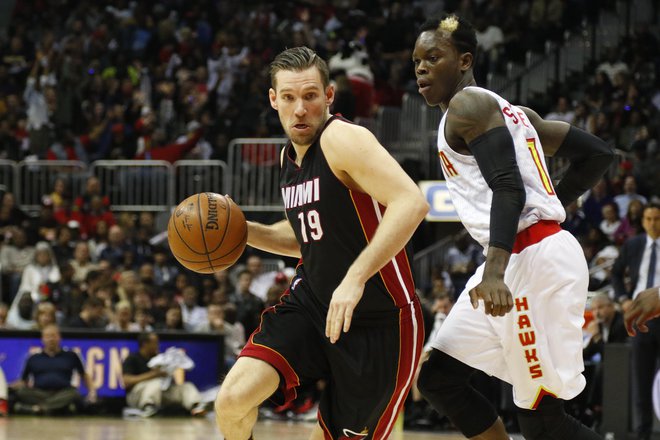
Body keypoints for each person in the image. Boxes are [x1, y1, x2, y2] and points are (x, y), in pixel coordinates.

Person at [412, 14, 614, 440]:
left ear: (465, 60)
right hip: (520, 253)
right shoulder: (516, 114)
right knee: (438, 378)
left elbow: (508, 187)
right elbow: (597, 154)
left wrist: (495, 271)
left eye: (434, 57)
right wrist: (554, 201)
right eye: (416, 62)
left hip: (529, 261)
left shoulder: (469, 106)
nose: (421, 68)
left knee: (543, 421)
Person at [214, 46, 428, 440]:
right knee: (232, 400)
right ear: (273, 99)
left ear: (328, 96)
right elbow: (307, 239)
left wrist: (356, 277)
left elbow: (412, 202)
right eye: (290, 97)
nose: (300, 109)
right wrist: (241, 231)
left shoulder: (343, 139)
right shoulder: (288, 158)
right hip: (314, 303)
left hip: (380, 322)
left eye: (310, 96)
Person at [611, 202, 660, 440]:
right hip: (641, 317)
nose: (653, 223)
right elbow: (616, 273)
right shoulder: (633, 244)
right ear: (642, 222)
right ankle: (643, 434)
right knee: (642, 377)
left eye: (657, 218)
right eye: (649, 219)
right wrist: (623, 300)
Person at [11, 324, 96, 414]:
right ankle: (55, 408)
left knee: (74, 393)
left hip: (62, 393)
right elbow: (24, 381)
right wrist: (11, 386)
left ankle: (38, 409)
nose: (51, 339)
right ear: (42, 339)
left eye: (53, 336)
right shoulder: (33, 358)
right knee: (21, 392)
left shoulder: (71, 355)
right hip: (39, 393)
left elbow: (84, 375)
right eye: (47, 336)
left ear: (59, 337)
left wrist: (92, 391)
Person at [121, 332, 206, 417]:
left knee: (186, 386)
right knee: (155, 383)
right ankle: (148, 407)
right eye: (155, 343)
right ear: (145, 344)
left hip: (160, 394)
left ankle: (196, 406)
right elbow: (126, 381)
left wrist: (169, 371)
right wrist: (153, 374)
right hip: (137, 396)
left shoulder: (160, 358)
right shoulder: (132, 358)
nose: (157, 345)